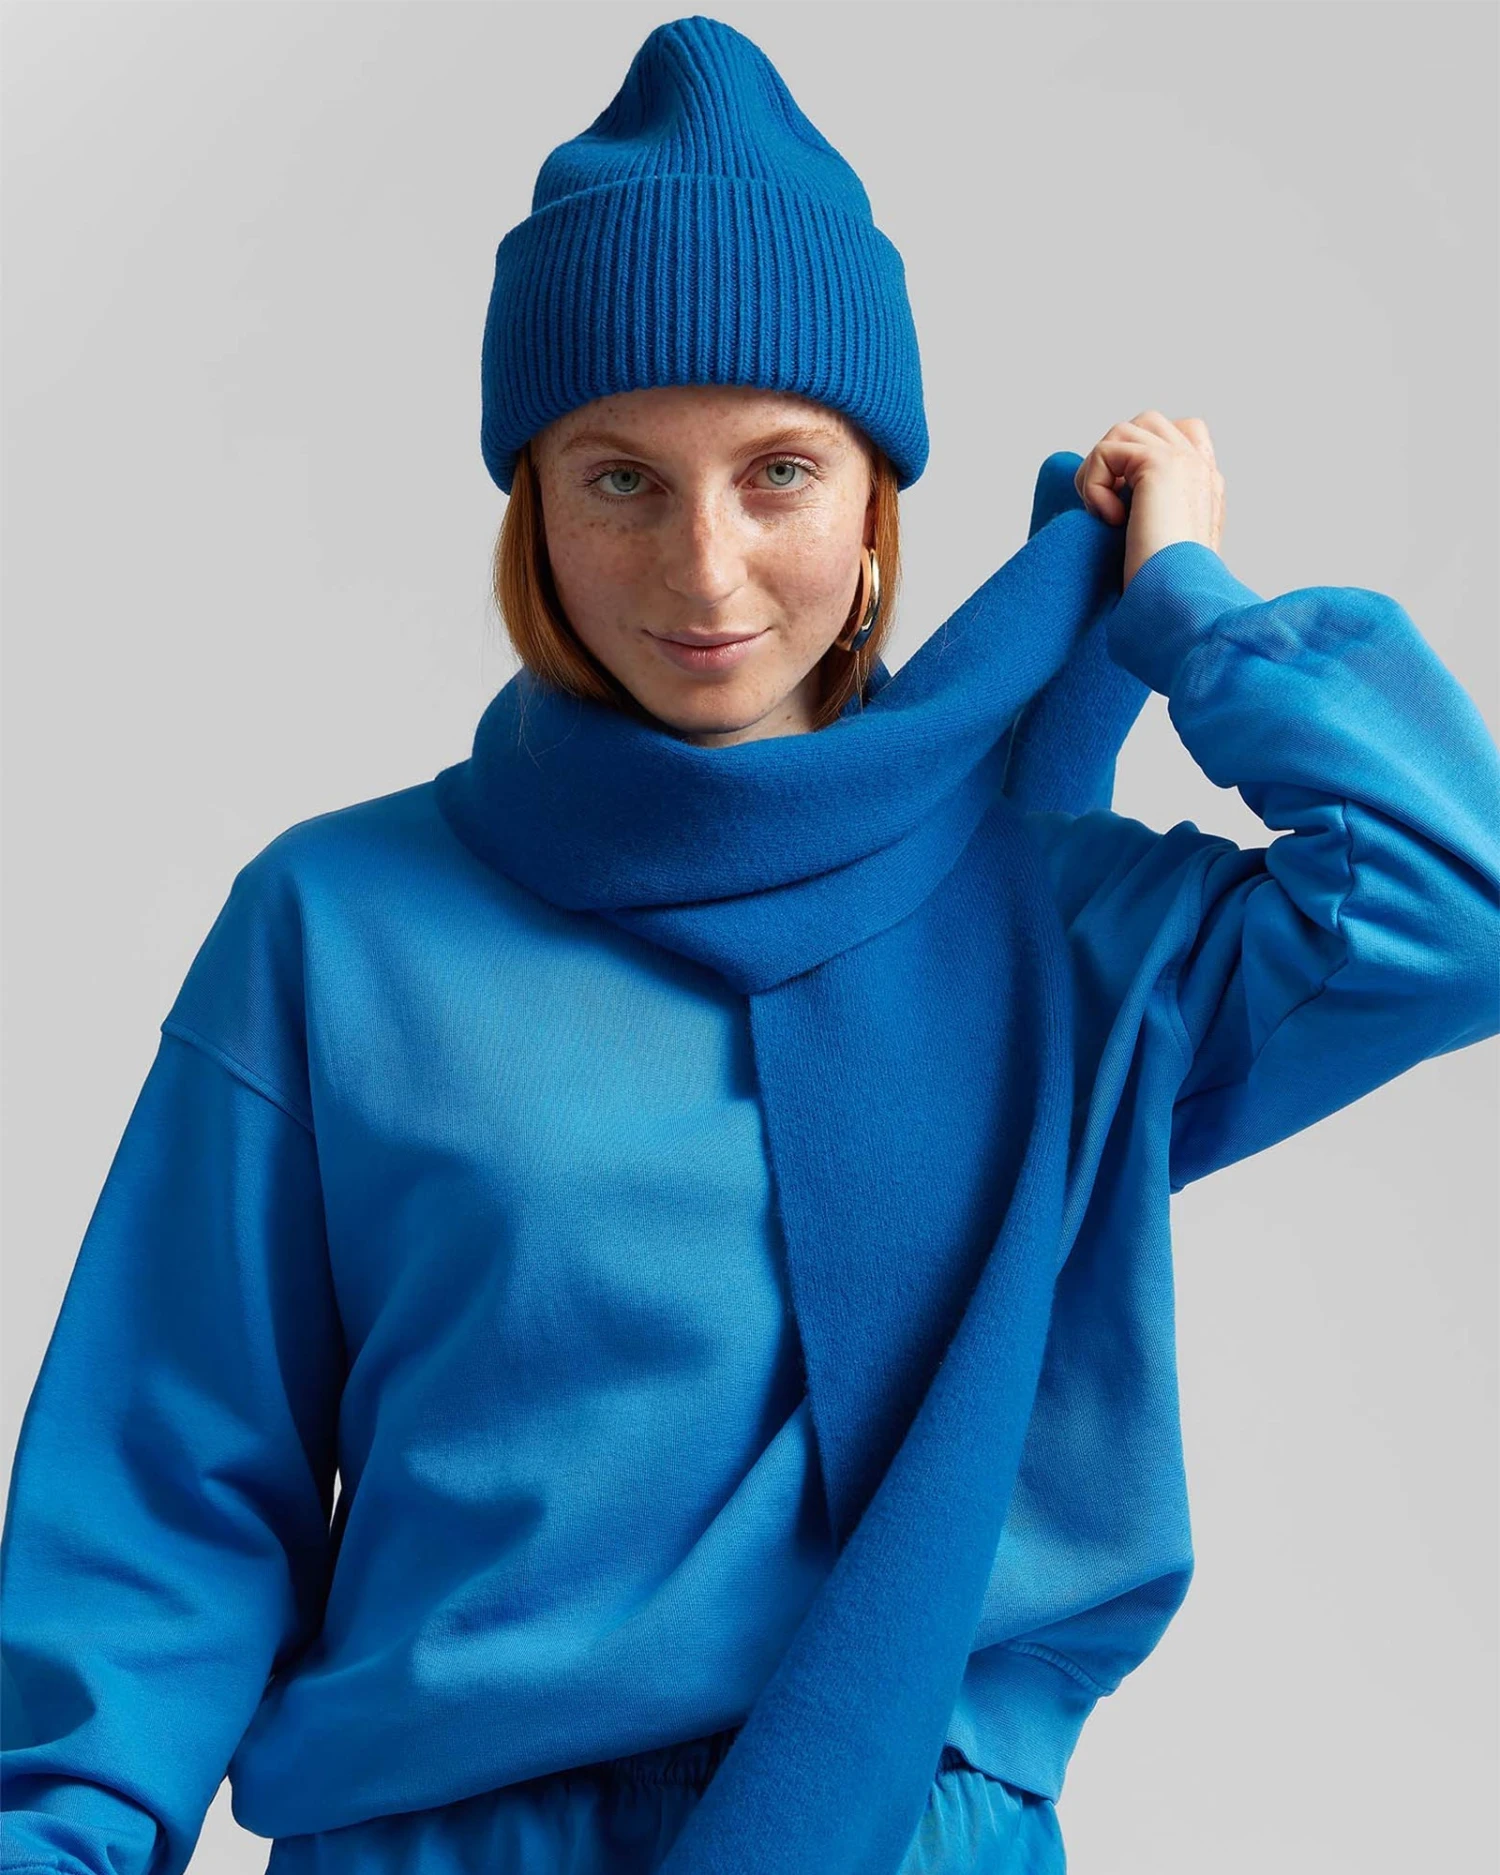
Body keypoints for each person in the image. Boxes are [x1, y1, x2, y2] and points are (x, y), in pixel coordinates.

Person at [2, 15, 1497, 1875]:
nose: (701, 568)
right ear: (532, 508)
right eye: (619, 476)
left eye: (778, 471)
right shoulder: (337, 924)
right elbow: (166, 1483)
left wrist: (1183, 603)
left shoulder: (1062, 934)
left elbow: (1448, 901)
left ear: (877, 501)